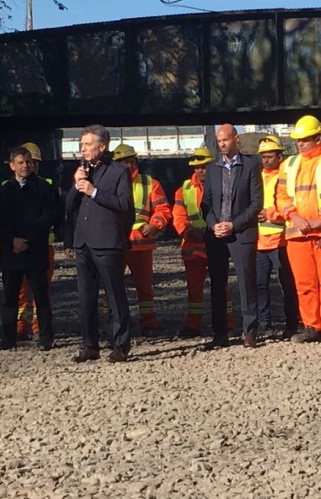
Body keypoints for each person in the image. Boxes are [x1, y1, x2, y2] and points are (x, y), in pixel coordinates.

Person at [276, 115, 321, 346]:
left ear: (319, 138)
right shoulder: (288, 164)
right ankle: (311, 326)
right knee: (305, 284)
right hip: (298, 232)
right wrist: (294, 216)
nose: (301, 143)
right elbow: (280, 195)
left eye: (306, 139)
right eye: (299, 139)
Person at [65, 124, 134, 363]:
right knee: (86, 297)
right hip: (83, 242)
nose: (82, 149)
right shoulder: (82, 171)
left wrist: (94, 192)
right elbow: (69, 206)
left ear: (102, 146)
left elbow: (125, 204)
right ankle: (89, 345)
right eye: (81, 145)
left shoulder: (118, 172)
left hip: (107, 243)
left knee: (115, 295)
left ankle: (121, 345)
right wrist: (77, 184)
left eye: (87, 144)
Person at [201, 124, 262, 349]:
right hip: (216, 236)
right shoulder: (213, 169)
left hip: (241, 233)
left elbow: (256, 203)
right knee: (218, 284)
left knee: (247, 282)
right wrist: (214, 224)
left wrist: (233, 225)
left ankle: (250, 332)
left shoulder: (251, 166)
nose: (222, 144)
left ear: (236, 139)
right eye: (219, 141)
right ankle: (220, 333)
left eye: (225, 140)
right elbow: (206, 203)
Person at [0, 146, 59, 351]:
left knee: (41, 296)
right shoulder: (4, 190)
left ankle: (45, 336)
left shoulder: (44, 188)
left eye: (28, 162)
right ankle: (8, 337)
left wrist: (28, 240)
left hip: (35, 250)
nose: (25, 166)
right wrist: (12, 241)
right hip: (11, 252)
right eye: (21, 162)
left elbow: (49, 216)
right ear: (12, 165)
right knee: (10, 298)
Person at [172, 148, 234, 339]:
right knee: (194, 289)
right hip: (194, 244)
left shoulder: (223, 184)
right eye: (197, 167)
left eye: (203, 167)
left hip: (217, 242)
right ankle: (193, 325)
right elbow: (178, 216)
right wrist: (188, 231)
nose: (200, 171)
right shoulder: (184, 189)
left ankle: (227, 323)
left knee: (221, 285)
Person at [112, 143, 171, 338]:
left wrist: (155, 224)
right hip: (115, 243)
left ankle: (148, 324)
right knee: (112, 286)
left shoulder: (149, 183)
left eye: (130, 161)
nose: (128, 166)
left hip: (140, 243)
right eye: (123, 162)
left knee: (144, 287)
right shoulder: (108, 183)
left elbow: (163, 209)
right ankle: (114, 324)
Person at [13, 142, 59, 341]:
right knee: (19, 292)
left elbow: (55, 215)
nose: (31, 166)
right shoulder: (10, 187)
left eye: (34, 162)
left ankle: (39, 328)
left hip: (42, 247)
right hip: (17, 248)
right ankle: (19, 328)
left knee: (41, 292)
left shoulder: (47, 186)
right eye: (27, 162)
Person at [255, 135, 300, 339]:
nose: (265, 160)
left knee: (288, 285)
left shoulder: (287, 177)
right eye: (263, 156)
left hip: (281, 240)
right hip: (260, 241)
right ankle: (265, 323)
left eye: (269, 156)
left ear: (279, 156)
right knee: (260, 285)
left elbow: (290, 205)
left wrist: (269, 214)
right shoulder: (257, 177)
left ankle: (292, 323)